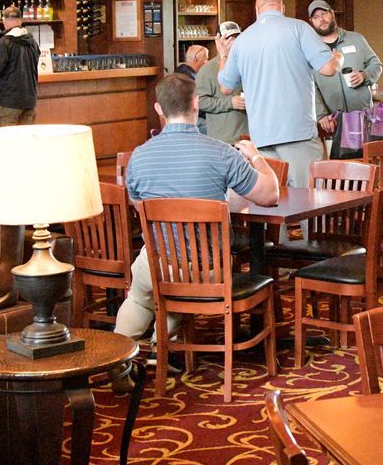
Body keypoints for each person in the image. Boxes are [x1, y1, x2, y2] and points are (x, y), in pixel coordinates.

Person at [113, 74, 282, 341]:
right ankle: (160, 348)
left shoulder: (139, 156)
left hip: (160, 264)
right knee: (183, 283)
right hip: (209, 271)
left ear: (159, 109)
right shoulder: (222, 153)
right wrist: (256, 157)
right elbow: (270, 195)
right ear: (196, 103)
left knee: (139, 297)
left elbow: (139, 206)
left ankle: (124, 355)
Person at [216, 0, 341, 189]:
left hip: (261, 137)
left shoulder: (242, 40)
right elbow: (329, 68)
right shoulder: (299, 28)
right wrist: (338, 58)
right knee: (309, 199)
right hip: (298, 134)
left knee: (272, 199)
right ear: (282, 8)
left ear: (257, 10)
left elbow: (224, 87)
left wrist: (223, 55)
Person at [308, 0, 383, 152]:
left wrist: (364, 75)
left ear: (332, 14)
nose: (321, 19)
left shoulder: (356, 39)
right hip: (334, 123)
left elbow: (376, 64)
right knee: (340, 165)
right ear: (311, 22)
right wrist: (321, 115)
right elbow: (309, 85)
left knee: (368, 161)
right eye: (316, 17)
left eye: (324, 13)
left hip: (363, 117)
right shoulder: (311, 49)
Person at [0, 6, 40, 126]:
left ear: (4, 21)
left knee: (5, 137)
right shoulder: (33, 42)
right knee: (26, 137)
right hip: (29, 100)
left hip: (8, 101)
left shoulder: (5, 42)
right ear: (21, 20)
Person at [197, 22, 249, 144]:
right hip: (223, 139)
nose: (232, 42)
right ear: (218, 41)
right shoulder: (207, 69)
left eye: (236, 37)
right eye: (227, 38)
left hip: (250, 137)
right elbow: (200, 101)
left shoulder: (248, 63)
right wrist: (230, 103)